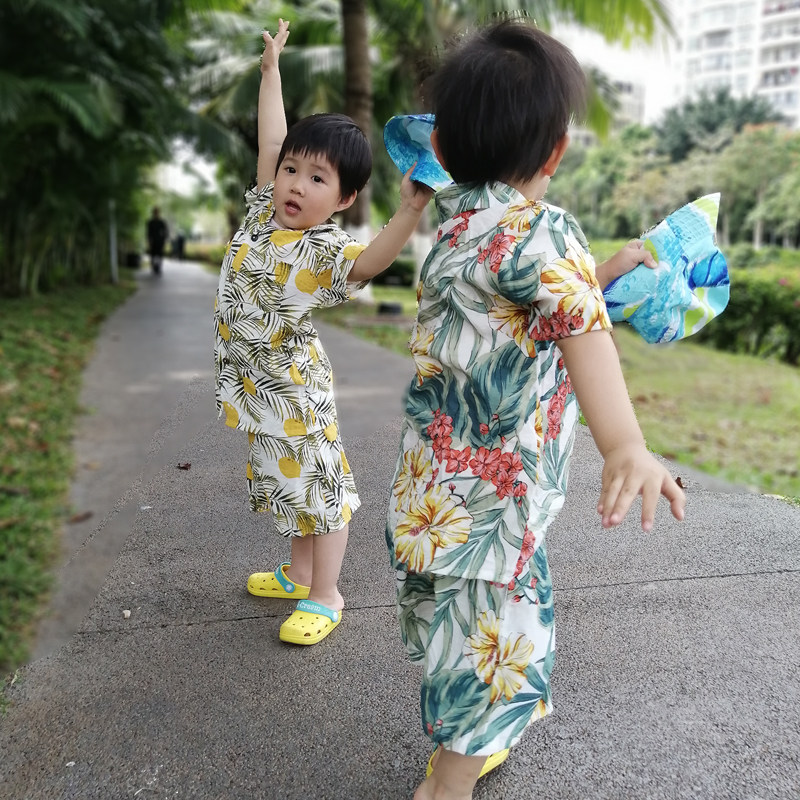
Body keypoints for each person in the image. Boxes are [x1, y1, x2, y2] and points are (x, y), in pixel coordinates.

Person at [384, 19, 686, 800]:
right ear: (553, 152)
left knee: (470, 629)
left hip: (434, 497)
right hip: (498, 506)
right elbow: (580, 327)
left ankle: (487, 724)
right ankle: (447, 782)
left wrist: (613, 265)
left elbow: (540, 308)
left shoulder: (456, 231)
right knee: (492, 650)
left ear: (443, 149)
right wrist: (625, 443)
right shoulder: (542, 232)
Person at [213, 19, 432, 646]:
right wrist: (271, 71)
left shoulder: (323, 251)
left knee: (320, 491)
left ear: (342, 199)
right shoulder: (262, 212)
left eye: (317, 180)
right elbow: (274, 136)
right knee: (289, 484)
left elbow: (369, 263)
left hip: (295, 394)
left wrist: (411, 209)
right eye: (291, 171)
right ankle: (298, 573)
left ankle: (326, 593)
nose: (295, 185)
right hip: (259, 392)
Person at [146, 207, 169, 274]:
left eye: (157, 212)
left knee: (160, 255)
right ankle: (153, 267)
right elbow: (148, 232)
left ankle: (159, 268)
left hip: (160, 241)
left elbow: (165, 232)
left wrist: (164, 239)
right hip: (153, 241)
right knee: (153, 255)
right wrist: (149, 240)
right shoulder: (150, 222)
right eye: (155, 212)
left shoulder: (162, 222)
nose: (156, 213)